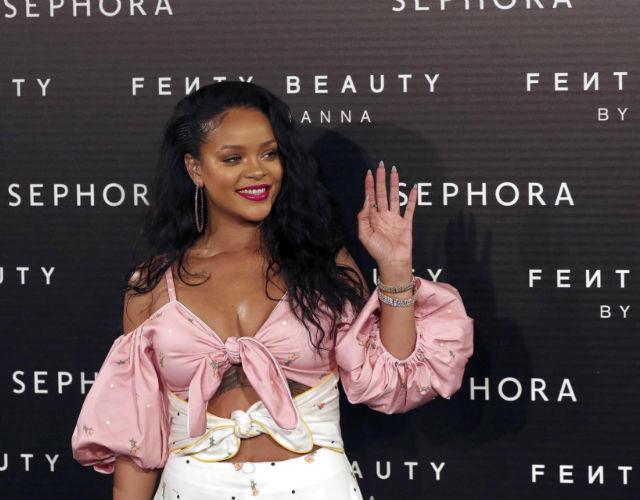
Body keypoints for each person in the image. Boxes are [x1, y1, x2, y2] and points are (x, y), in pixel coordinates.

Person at [71, 80, 474, 500]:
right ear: (195, 168)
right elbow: (137, 441)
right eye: (233, 158)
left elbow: (394, 381)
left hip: (317, 487)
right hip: (191, 487)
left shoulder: (324, 265)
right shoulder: (151, 284)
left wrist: (394, 269)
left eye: (269, 153)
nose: (257, 171)